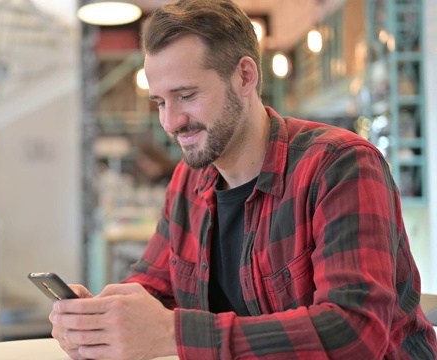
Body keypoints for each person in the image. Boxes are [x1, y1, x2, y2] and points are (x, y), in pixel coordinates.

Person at [49, 0, 437, 359]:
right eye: (161, 102)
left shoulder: (340, 165)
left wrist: (173, 333)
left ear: (245, 77)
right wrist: (101, 318)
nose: (170, 122)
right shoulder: (189, 181)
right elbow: (153, 287)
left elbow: (354, 332)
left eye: (186, 95)